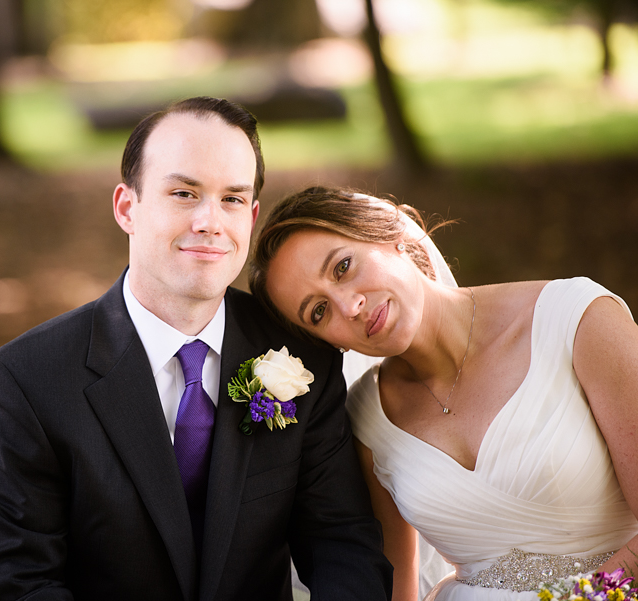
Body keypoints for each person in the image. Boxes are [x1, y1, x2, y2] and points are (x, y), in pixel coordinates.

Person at [0, 99, 393, 600]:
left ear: (251, 216)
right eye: (185, 193)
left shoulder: (304, 359)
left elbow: (342, 544)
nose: (210, 221)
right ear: (127, 207)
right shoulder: (29, 381)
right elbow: (13, 585)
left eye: (232, 199)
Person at [249, 185, 638, 601]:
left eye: (343, 266)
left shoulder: (578, 319)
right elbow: (396, 587)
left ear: (388, 234)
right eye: (319, 311)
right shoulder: (367, 417)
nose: (351, 305)